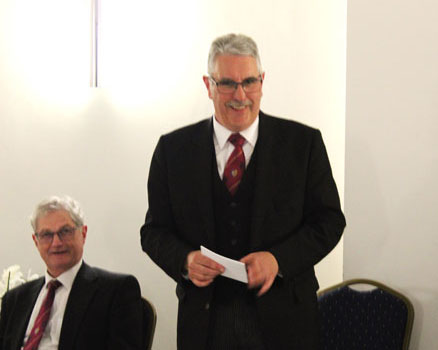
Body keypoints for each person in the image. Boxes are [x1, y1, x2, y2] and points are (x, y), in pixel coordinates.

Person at [140, 33, 345, 350]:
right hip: (205, 324)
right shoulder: (172, 150)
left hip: (287, 323)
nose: (240, 94)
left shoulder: (303, 145)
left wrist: (278, 260)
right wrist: (185, 259)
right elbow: (154, 232)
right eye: (227, 84)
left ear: (262, 81)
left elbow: (329, 222)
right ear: (208, 85)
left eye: (249, 81)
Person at [0, 196, 143, 350]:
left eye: (65, 231)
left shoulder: (115, 291)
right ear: (36, 241)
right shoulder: (15, 299)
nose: (56, 243)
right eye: (47, 235)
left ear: (83, 233)